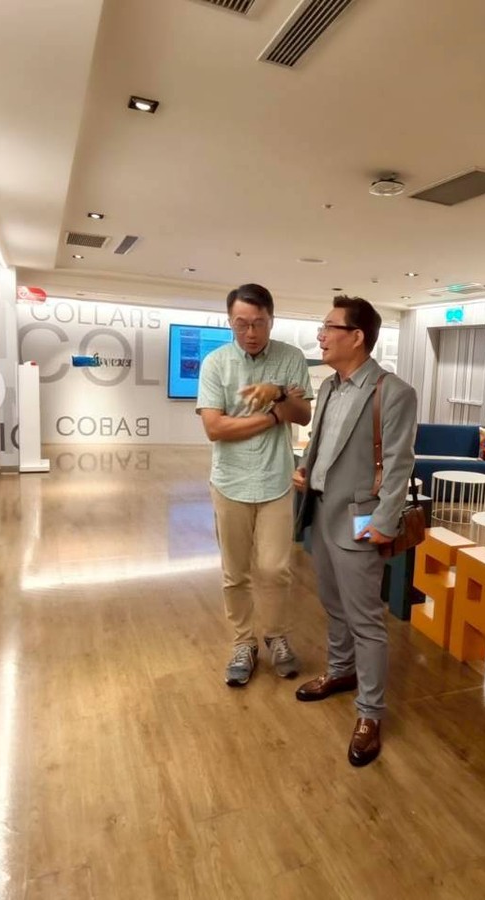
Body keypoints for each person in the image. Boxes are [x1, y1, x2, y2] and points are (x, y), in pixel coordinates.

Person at [293, 296, 417, 766]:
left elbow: (400, 463)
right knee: (332, 603)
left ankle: (370, 713)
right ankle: (341, 671)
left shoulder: (393, 391)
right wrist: (306, 470)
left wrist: (385, 523)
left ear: (357, 336)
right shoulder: (329, 387)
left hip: (362, 521)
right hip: (321, 511)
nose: (320, 335)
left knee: (366, 620)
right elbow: (321, 441)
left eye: (329, 327)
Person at [197, 283, 313, 686]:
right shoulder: (215, 364)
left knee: (275, 568)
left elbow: (302, 414)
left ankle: (276, 635)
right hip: (229, 482)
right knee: (235, 572)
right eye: (242, 323)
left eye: (259, 323)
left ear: (271, 320)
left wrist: (279, 393)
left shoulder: (291, 357)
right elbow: (215, 428)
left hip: (276, 479)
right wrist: (273, 416)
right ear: (230, 322)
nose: (250, 332)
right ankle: (243, 642)